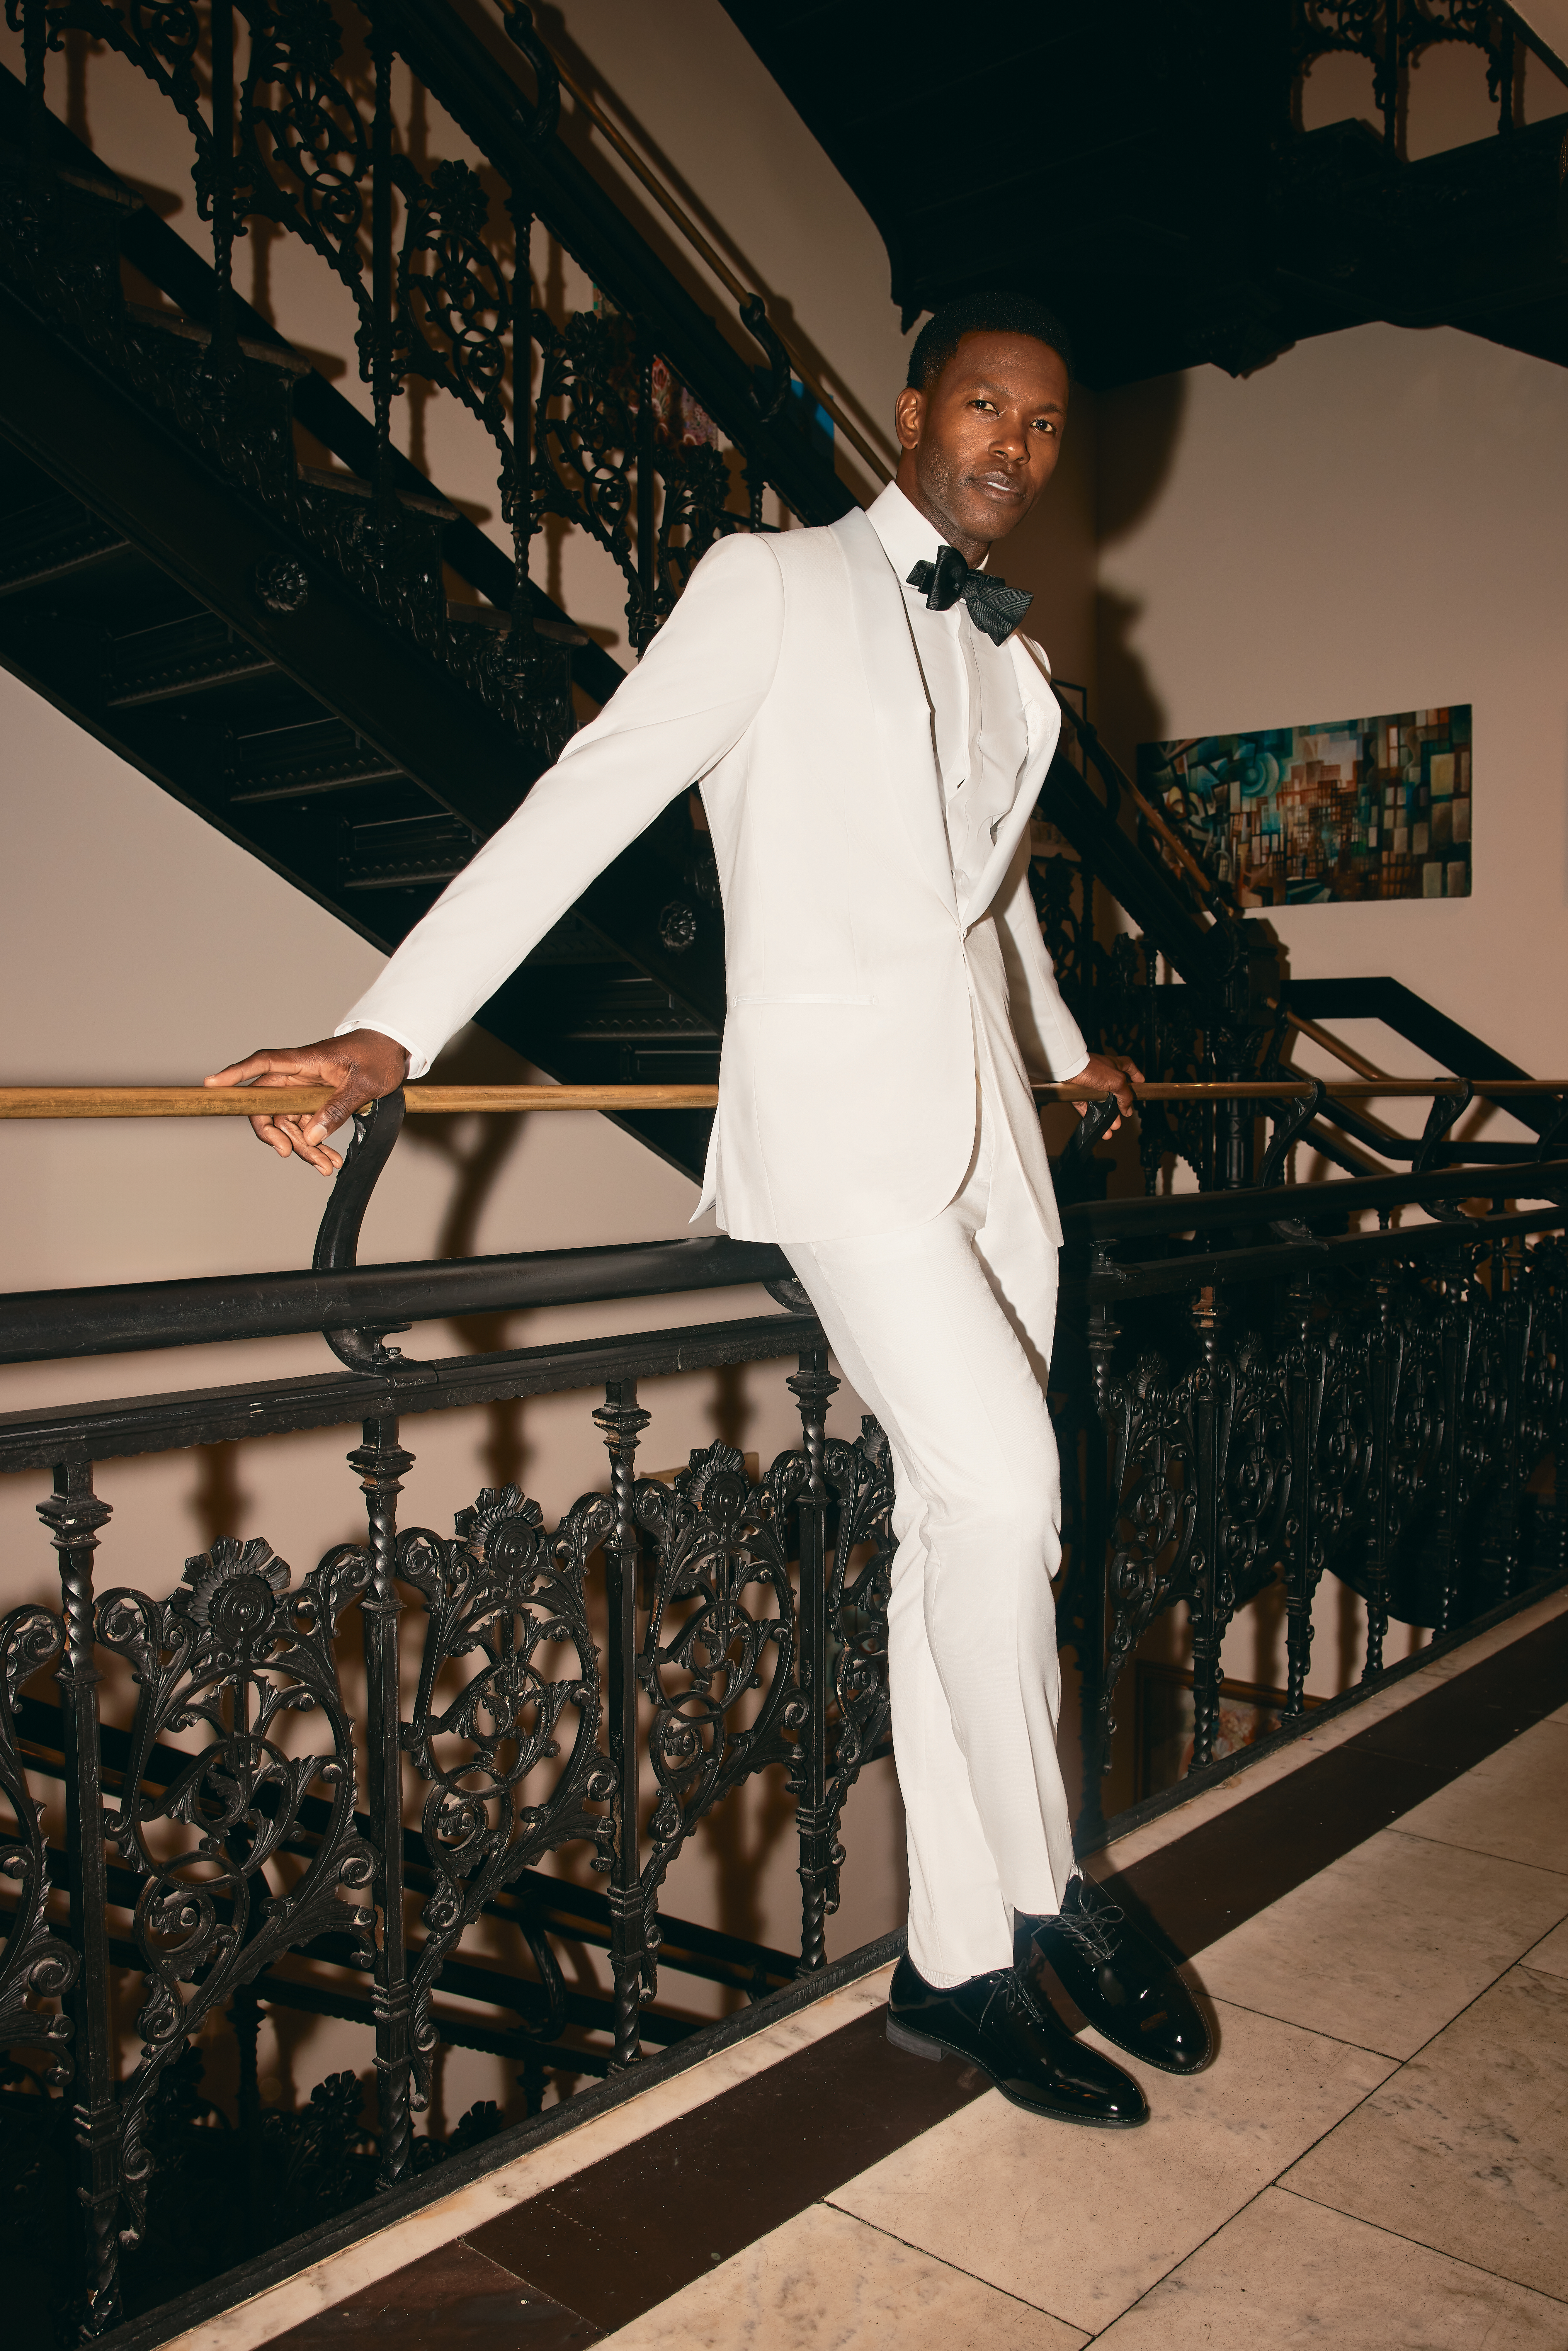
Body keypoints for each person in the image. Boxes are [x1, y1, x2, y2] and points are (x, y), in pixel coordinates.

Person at [209, 290, 1209, 2125]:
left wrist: (1062, 1056)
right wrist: (389, 1026)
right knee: (1008, 1486)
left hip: (996, 1137)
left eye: (1046, 425)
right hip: (842, 1136)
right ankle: (1059, 1891)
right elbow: (582, 799)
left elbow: (989, 901)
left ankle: (953, 1967)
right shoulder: (771, 584)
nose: (1015, 444)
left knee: (960, 1537)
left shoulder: (1015, 665)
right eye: (986, 406)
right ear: (912, 415)